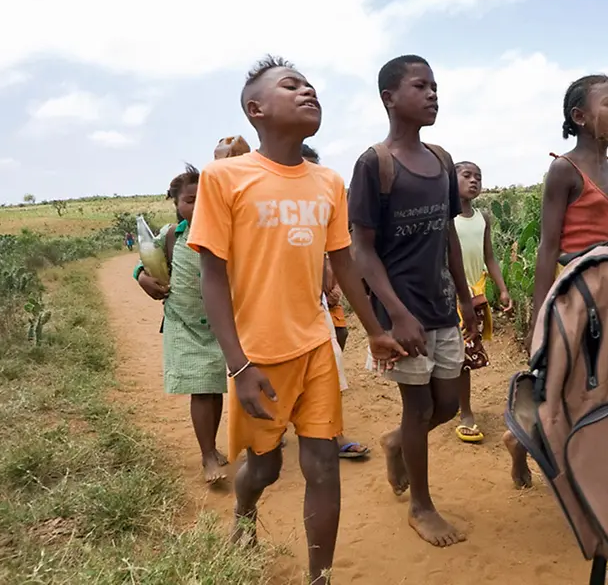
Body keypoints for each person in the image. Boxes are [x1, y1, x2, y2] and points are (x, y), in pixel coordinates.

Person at [188, 55, 405, 584]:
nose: (308, 92)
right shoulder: (224, 178)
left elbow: (344, 263)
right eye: (292, 86)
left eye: (311, 87)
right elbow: (212, 279)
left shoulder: (328, 181)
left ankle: (319, 577)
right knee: (265, 468)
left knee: (323, 466)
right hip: (258, 356)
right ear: (255, 109)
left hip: (316, 348)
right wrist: (238, 367)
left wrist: (375, 330)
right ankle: (244, 513)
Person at [348, 54, 478, 548]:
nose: (432, 95)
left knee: (444, 404)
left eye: (435, 87)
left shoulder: (442, 160)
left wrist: (465, 298)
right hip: (402, 312)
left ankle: (397, 442)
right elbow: (361, 248)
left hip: (442, 305)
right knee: (418, 406)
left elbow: (446, 232)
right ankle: (421, 507)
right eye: (421, 86)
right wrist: (395, 314)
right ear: (389, 98)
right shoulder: (374, 164)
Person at [502, 74, 608, 488]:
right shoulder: (564, 169)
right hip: (573, 292)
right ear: (580, 116)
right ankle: (522, 442)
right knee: (563, 380)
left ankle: (584, 461)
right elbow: (549, 247)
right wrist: (538, 318)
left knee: (600, 380)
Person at [134, 164, 228, 484]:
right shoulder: (171, 236)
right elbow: (144, 265)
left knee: (214, 388)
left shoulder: (227, 232)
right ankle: (207, 457)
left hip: (219, 325)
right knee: (201, 390)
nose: (198, 205)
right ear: (177, 204)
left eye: (206, 197)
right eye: (190, 199)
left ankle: (213, 447)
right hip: (183, 323)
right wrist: (144, 279)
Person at [302, 143, 370, 460]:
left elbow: (336, 253)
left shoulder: (324, 201)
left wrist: (332, 285)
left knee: (329, 363)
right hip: (277, 311)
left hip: (318, 305)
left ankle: (332, 433)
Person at [452, 161, 512, 443]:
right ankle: (447, 405)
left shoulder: (483, 218)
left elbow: (490, 257)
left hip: (474, 294)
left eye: (478, 177)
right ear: (451, 181)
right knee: (447, 354)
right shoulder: (445, 218)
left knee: (466, 356)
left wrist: (502, 290)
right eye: (466, 175)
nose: (474, 181)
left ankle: (465, 411)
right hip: (447, 295)